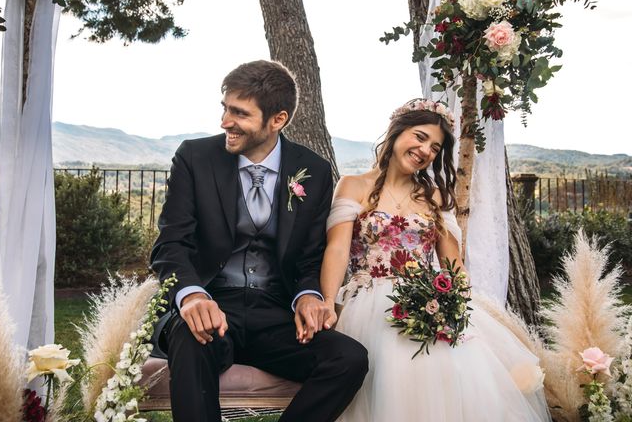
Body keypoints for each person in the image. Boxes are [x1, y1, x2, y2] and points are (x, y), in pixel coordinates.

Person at [151, 60, 368, 422]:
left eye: (239, 113)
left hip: (276, 315)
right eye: (225, 108)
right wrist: (191, 295)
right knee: (192, 339)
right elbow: (171, 244)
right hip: (213, 302)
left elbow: (309, 257)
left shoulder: (312, 169)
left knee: (349, 359)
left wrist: (309, 295)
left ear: (277, 120)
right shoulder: (195, 157)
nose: (225, 122)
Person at [319, 98, 551, 421]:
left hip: (428, 302)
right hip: (368, 303)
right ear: (397, 132)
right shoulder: (354, 185)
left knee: (453, 375)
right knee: (389, 368)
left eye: (435, 147)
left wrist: (455, 305)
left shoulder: (435, 197)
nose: (426, 150)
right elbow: (338, 249)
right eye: (420, 136)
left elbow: (452, 263)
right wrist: (328, 302)